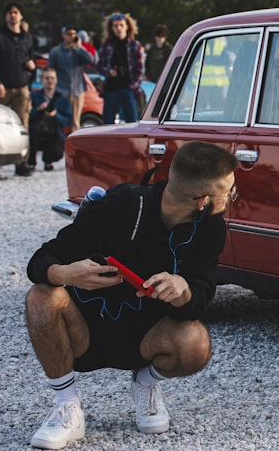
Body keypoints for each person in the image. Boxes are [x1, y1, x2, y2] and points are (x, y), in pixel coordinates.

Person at [24, 141, 239, 449]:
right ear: (201, 199)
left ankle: (146, 383)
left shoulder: (211, 228)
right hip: (83, 331)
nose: (232, 198)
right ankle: (67, 407)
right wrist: (66, 273)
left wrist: (183, 290)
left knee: (196, 342)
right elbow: (41, 260)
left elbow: (201, 298)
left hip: (145, 340)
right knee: (42, 296)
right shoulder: (122, 205)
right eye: (228, 192)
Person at [0, 1, 37, 176]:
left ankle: (22, 164)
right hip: (3, 87)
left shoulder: (26, 37)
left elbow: (30, 59)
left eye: (16, 12)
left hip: (21, 87)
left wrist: (31, 73)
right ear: (6, 16)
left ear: (21, 15)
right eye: (9, 12)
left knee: (23, 124)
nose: (12, 15)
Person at [97, 12, 146, 125]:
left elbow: (140, 70)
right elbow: (99, 66)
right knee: (107, 123)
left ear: (127, 26)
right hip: (111, 88)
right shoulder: (107, 46)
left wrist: (132, 86)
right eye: (115, 25)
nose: (118, 28)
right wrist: (108, 72)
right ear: (112, 28)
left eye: (121, 25)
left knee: (132, 123)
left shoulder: (134, 45)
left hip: (128, 88)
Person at [48, 26, 96, 132]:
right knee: (60, 120)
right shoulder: (56, 51)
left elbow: (91, 60)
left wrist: (79, 47)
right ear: (63, 35)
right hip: (61, 91)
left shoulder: (77, 51)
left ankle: (74, 146)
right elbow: (50, 70)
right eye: (69, 34)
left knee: (75, 122)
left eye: (74, 34)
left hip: (77, 91)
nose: (72, 36)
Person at [28, 68, 71, 171]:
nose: (50, 81)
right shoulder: (34, 96)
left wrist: (55, 114)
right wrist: (38, 109)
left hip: (54, 129)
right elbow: (27, 115)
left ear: (56, 80)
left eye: (52, 78)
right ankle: (31, 162)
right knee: (33, 131)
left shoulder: (62, 99)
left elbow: (68, 121)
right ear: (42, 80)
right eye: (47, 78)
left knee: (57, 149)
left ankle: (48, 161)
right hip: (37, 129)